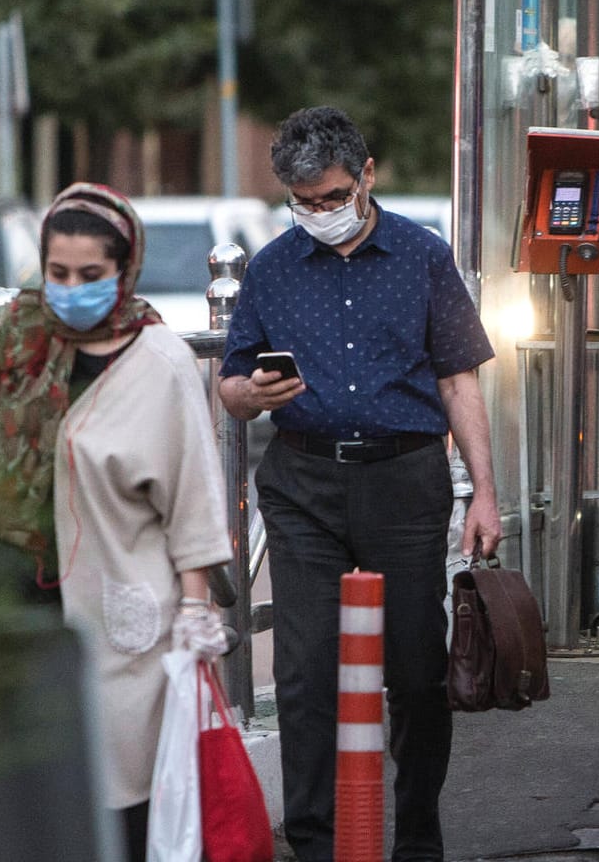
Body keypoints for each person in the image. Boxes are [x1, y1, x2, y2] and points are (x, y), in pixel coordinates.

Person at [218, 106, 501, 862]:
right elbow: (232, 381)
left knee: (413, 669)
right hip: (302, 479)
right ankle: (316, 842)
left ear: (367, 176)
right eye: (304, 201)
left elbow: (458, 379)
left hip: (405, 477)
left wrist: (485, 492)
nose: (319, 213)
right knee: (306, 671)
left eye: (332, 197)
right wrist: (251, 396)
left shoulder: (422, 255)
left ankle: (416, 838)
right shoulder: (273, 267)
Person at [0, 183, 232, 862]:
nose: (70, 290)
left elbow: (192, 497)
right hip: (2, 598)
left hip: (118, 606)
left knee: (120, 789)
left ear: (125, 272)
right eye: (58, 273)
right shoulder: (10, 339)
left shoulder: (160, 364)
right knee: (11, 790)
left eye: (90, 276)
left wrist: (194, 611)